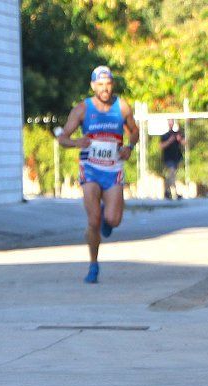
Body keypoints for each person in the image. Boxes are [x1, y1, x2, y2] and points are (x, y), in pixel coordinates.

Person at [57, 66, 139, 283]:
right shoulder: (83, 109)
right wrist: (76, 142)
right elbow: (62, 138)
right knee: (93, 221)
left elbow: (135, 131)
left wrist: (129, 147)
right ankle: (93, 264)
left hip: (113, 169)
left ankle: (107, 215)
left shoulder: (122, 107)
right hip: (90, 168)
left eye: (108, 84)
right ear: (93, 86)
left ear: (113, 85)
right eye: (100, 84)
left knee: (113, 220)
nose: (105, 88)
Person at [160, 119, 185, 199]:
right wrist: (169, 141)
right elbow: (161, 146)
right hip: (168, 157)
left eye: (172, 122)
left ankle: (167, 191)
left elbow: (185, 142)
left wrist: (179, 139)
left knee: (171, 175)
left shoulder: (177, 133)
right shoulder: (165, 135)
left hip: (176, 157)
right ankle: (175, 193)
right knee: (172, 174)